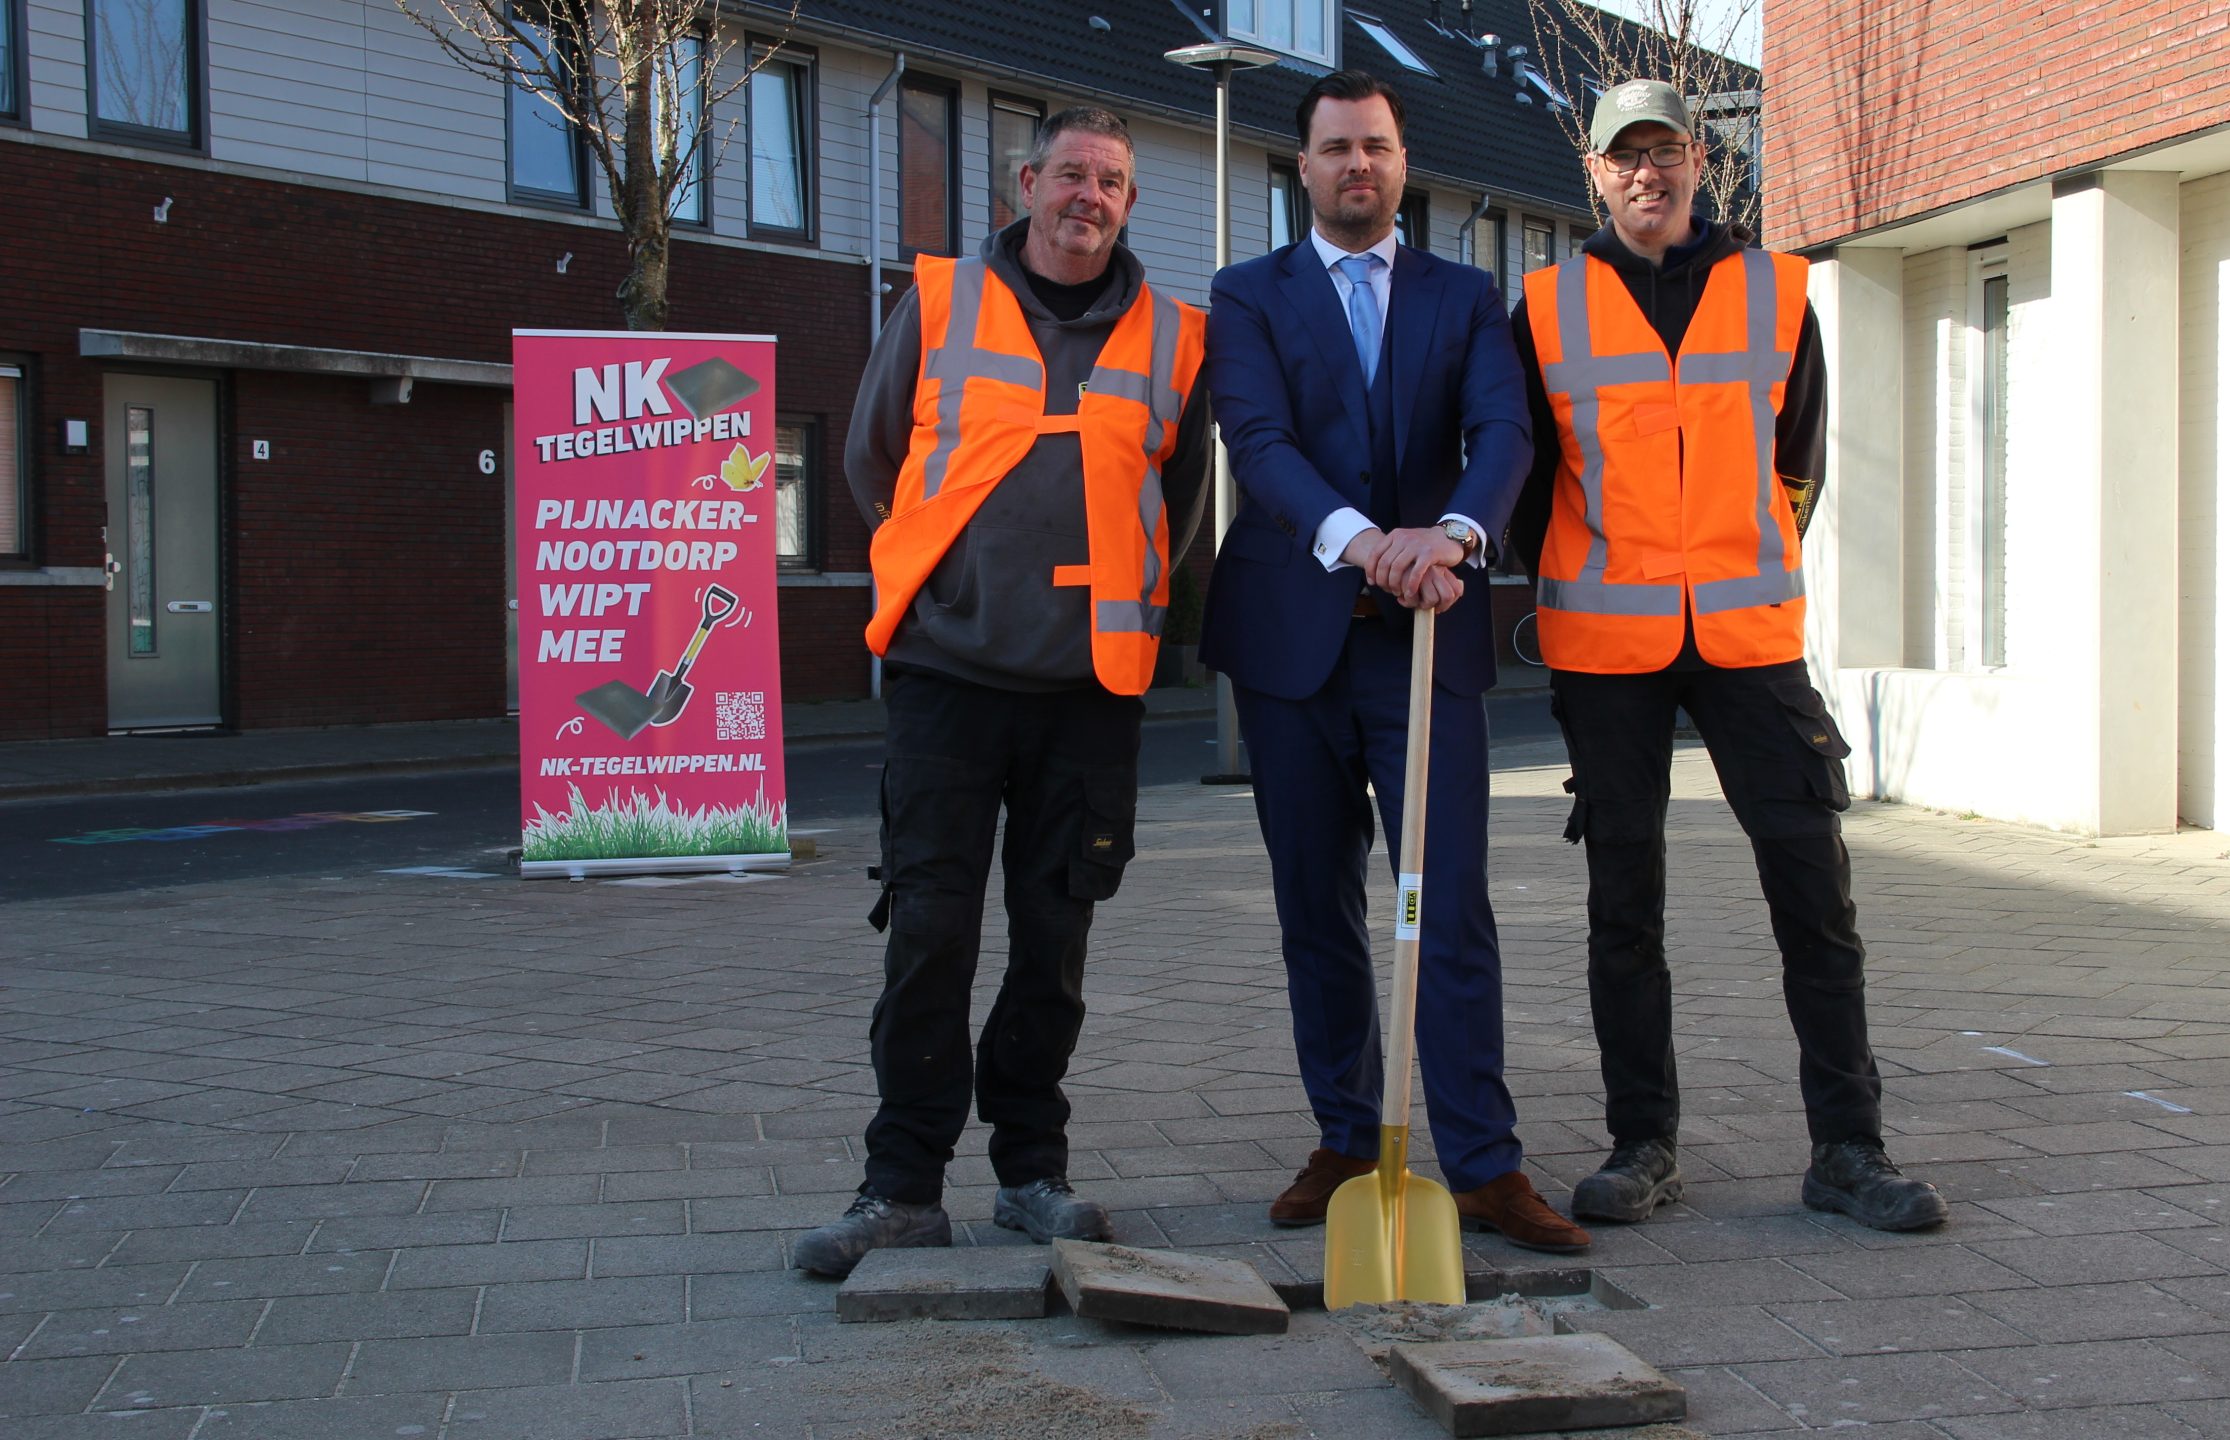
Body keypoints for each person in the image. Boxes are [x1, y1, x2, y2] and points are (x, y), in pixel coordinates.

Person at [1509, 80, 1946, 1233]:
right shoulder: (1545, 306)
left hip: (1747, 640)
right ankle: (1641, 1143)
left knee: (1813, 889)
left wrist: (1733, 563)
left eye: (1667, 152)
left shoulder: (1774, 290)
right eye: (1625, 157)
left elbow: (1795, 465)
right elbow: (1526, 474)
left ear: (1700, 161)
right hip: (1607, 644)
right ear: (1595, 172)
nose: (1648, 172)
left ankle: (1848, 1149)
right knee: (1623, 905)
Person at [793, 106, 1213, 1279]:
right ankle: (901, 1189)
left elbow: (1176, 508)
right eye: (1071, 174)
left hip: (1091, 688)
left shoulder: (1178, 336)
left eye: (1113, 182)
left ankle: (1033, 1171)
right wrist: (952, 572)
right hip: (946, 679)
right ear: (1026, 183)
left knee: (1054, 941)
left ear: (1131, 203)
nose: (1090, 196)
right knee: (928, 931)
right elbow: (875, 461)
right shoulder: (934, 303)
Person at [1200, 72, 1587, 1253]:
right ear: (1301, 167)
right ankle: (1344, 1134)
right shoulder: (1245, 295)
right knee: (1314, 909)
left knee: (1448, 905)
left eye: (1374, 147)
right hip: (1291, 646)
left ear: (1402, 162)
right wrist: (1372, 547)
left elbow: (1505, 433)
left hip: (1428, 640)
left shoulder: (1466, 298)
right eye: (1334, 150)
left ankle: (1480, 1161)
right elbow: (1256, 442)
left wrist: (1455, 536)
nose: (1355, 166)